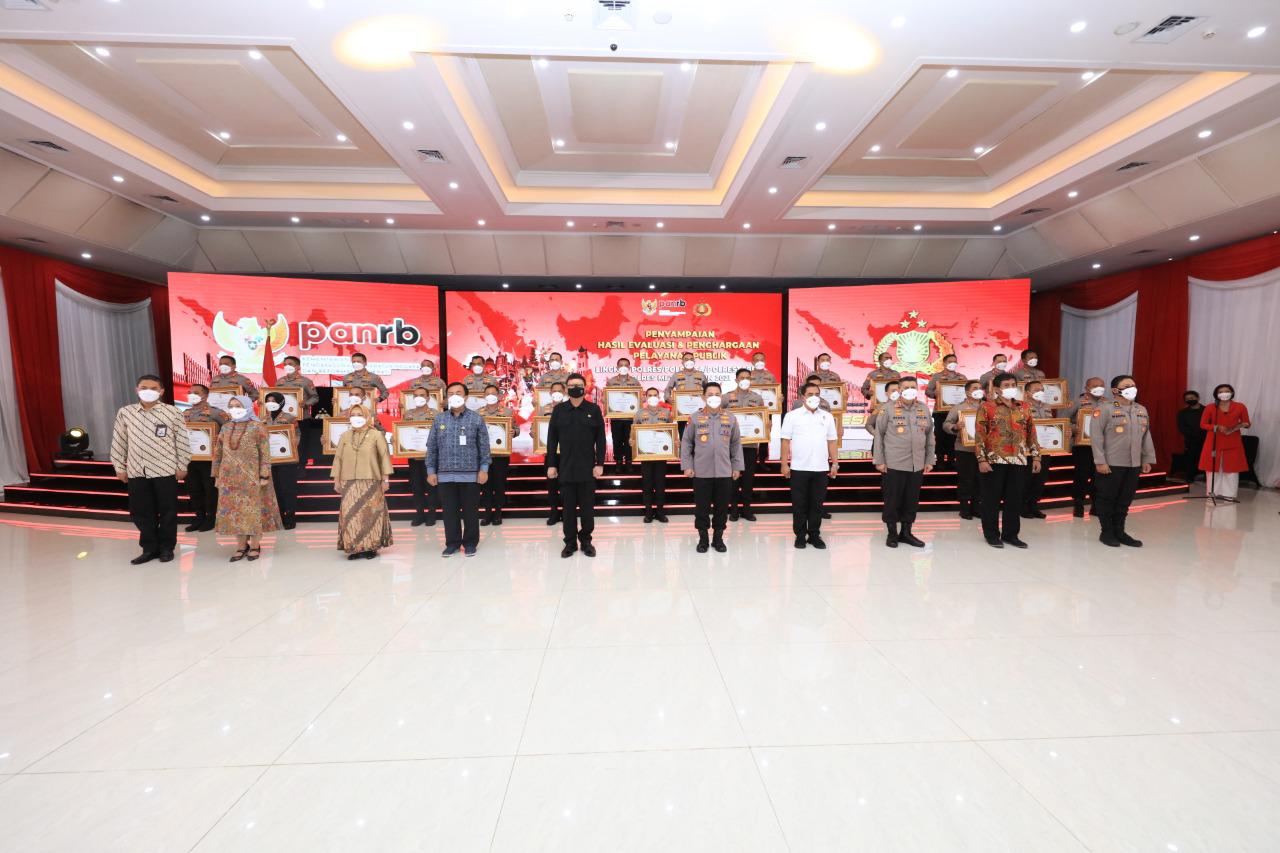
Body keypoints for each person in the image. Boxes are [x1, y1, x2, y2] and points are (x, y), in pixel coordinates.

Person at [111, 375, 190, 564]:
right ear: (137, 390)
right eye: (144, 387)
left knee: (168, 511)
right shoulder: (126, 412)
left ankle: (166, 548)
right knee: (140, 511)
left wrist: (182, 465)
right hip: (137, 471)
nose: (148, 391)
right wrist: (119, 467)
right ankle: (149, 548)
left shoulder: (172, 412)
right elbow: (119, 440)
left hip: (165, 469)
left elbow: (182, 440)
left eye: (154, 388)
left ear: (161, 391)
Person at [975, 372, 1041, 549]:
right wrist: (981, 459)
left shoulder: (1024, 407)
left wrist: (1036, 456)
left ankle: (1011, 535)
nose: (1011, 388)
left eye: (1013, 385)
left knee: (1014, 499)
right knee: (991, 500)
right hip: (994, 460)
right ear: (997, 389)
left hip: (1018, 460)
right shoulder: (986, 407)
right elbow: (980, 435)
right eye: (1006, 385)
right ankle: (991, 535)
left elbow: (1031, 433)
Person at [426, 383, 490, 557]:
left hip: (470, 475)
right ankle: (452, 543)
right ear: (447, 398)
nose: (454, 396)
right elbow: (431, 447)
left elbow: (484, 447)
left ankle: (470, 543)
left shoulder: (476, 419)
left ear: (466, 397)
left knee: (470, 511)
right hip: (445, 475)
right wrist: (431, 471)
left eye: (458, 393)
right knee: (449, 512)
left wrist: (484, 469)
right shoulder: (439, 419)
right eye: (451, 393)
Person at [212, 398, 282, 560]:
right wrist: (216, 475)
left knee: (253, 512)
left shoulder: (258, 426)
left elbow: (265, 452)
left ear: (248, 407)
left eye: (238, 406)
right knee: (235, 512)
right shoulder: (226, 427)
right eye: (231, 406)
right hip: (229, 478)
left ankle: (255, 546)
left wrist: (264, 475)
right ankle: (241, 546)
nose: (234, 409)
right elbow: (218, 452)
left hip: (253, 477)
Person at [1090, 375, 1155, 547]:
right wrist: (1100, 461)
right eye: (1126, 386)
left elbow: (1146, 435)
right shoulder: (1104, 409)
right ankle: (1106, 532)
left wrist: (1147, 458)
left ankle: (1120, 531)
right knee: (1107, 498)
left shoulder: (1141, 409)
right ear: (1115, 390)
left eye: (1133, 385)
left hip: (1133, 463)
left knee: (1125, 499)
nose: (1131, 388)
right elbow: (1096, 437)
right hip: (1111, 463)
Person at [547, 373, 607, 558]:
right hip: (565, 467)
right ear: (566, 388)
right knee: (568, 509)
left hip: (588, 468)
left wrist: (600, 464)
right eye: (572, 385)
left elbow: (601, 439)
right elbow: (552, 440)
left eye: (579, 385)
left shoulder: (593, 409)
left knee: (587, 509)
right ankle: (570, 542)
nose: (575, 388)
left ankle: (586, 541)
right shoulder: (559, 410)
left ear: (585, 387)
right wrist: (551, 465)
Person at [680, 382, 744, 553]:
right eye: (710, 394)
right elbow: (686, 443)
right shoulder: (694, 418)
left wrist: (737, 466)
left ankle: (718, 538)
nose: (714, 397)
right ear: (703, 397)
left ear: (721, 396)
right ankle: (703, 539)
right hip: (701, 472)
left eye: (717, 394)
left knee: (722, 508)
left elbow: (736, 444)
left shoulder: (730, 418)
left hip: (724, 471)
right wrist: (687, 465)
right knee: (702, 508)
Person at [874, 375, 935, 548]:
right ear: (900, 389)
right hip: (893, 463)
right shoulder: (888, 408)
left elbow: (930, 436)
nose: (910, 390)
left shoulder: (923, 408)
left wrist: (930, 459)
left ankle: (906, 532)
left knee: (911, 500)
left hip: (917, 464)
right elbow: (879, 435)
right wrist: (879, 460)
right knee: (892, 500)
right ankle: (892, 533)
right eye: (906, 387)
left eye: (913, 387)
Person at [780, 381, 838, 549]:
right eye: (810, 394)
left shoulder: (827, 416)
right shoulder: (792, 416)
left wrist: (835, 463)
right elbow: (785, 441)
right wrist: (784, 464)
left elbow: (832, 441)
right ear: (802, 397)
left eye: (817, 394)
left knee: (817, 504)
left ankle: (814, 535)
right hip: (799, 468)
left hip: (820, 468)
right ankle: (800, 535)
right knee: (799, 504)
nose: (814, 397)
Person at [331, 404, 393, 560]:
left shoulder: (376, 435)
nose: (356, 418)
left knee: (370, 515)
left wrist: (385, 479)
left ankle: (371, 547)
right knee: (350, 515)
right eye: (353, 415)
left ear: (367, 417)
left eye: (360, 414)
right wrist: (336, 480)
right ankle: (354, 547)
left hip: (371, 481)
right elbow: (338, 458)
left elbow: (384, 457)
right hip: (349, 482)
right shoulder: (345, 436)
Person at [182, 383, 225, 532]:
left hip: (209, 459)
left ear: (205, 395)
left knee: (210, 490)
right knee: (194, 489)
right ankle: (199, 517)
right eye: (190, 392)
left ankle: (211, 518)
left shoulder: (216, 413)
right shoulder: (185, 413)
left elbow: (229, 429)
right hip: (189, 458)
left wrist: (218, 438)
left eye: (196, 392)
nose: (192, 395)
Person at [724, 367, 764, 522]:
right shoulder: (726, 397)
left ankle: (747, 509)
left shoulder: (757, 398)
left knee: (748, 479)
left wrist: (766, 426)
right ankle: (734, 509)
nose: (745, 380)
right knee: (733, 478)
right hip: (731, 445)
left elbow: (762, 419)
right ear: (736, 380)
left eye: (748, 377)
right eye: (742, 377)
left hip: (750, 445)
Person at [1062, 377, 1106, 517]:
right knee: (1082, 474)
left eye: (1101, 385)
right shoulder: (1077, 402)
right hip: (1082, 446)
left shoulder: (1108, 403)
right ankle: (1078, 503)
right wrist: (1075, 428)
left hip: (1102, 446)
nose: (1099, 388)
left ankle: (1096, 504)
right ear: (1087, 388)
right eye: (1095, 385)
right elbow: (1064, 420)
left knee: (1098, 476)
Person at [1199, 383, 1252, 501]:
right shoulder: (1210, 407)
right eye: (1221, 392)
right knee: (1213, 469)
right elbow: (1203, 424)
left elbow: (1247, 422)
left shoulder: (1240, 406)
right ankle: (1213, 493)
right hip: (1214, 441)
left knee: (1232, 469)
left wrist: (1242, 425)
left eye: (1227, 391)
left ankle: (1230, 495)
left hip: (1233, 441)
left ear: (1232, 393)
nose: (1224, 393)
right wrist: (1216, 427)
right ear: (1216, 394)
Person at [944, 381, 985, 519]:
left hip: (984, 449)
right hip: (964, 449)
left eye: (980, 388)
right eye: (975, 388)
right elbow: (946, 424)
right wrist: (955, 426)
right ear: (967, 392)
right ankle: (964, 508)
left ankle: (976, 507)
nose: (978, 390)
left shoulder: (987, 406)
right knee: (966, 479)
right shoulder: (958, 408)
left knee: (981, 479)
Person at [633, 387, 674, 523]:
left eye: (655, 395)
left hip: (661, 455)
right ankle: (649, 512)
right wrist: (632, 441)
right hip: (645, 456)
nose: (652, 397)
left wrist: (675, 441)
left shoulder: (667, 413)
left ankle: (660, 512)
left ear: (659, 396)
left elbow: (672, 431)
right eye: (650, 395)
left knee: (660, 484)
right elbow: (633, 433)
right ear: (645, 397)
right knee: (647, 484)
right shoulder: (639, 413)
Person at [477, 383, 515, 525]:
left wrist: (513, 432)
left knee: (499, 485)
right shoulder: (477, 413)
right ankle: (487, 513)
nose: (490, 396)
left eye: (493, 393)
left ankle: (498, 513)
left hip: (501, 456)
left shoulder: (507, 412)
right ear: (483, 396)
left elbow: (515, 428)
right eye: (487, 394)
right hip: (483, 456)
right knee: (485, 486)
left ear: (499, 396)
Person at [263, 391, 300, 529]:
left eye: (273, 401)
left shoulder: (290, 418)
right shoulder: (262, 419)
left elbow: (297, 436)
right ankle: (279, 517)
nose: (270, 403)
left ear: (281, 402)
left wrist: (291, 446)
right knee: (275, 490)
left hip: (286, 460)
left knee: (288, 489)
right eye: (268, 401)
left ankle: (290, 517)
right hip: (270, 461)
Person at [403, 388, 439, 526]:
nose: (419, 397)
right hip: (413, 457)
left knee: (431, 486)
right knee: (416, 486)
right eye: (416, 395)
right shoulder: (408, 414)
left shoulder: (436, 414)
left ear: (428, 398)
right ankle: (419, 514)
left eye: (422, 395)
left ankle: (431, 514)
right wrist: (398, 438)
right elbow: (403, 432)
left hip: (430, 457)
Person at [277, 355, 320, 463]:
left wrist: (306, 403)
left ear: (298, 367)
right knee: (284, 442)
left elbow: (315, 397)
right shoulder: (280, 381)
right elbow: (274, 397)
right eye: (285, 364)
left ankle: (301, 467)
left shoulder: (306, 381)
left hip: (301, 418)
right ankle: (285, 465)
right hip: (283, 418)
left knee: (302, 445)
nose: (287, 366)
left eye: (290, 364)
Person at [925, 354, 966, 470]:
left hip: (957, 411)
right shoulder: (937, 377)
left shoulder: (962, 377)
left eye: (954, 361)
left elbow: (967, 391)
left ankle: (952, 460)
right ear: (944, 363)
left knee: (954, 436)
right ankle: (940, 460)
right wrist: (935, 394)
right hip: (941, 412)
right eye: (950, 361)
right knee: (941, 436)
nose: (953, 363)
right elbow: (928, 391)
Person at [1020, 380, 1054, 520]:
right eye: (1036, 390)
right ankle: (1022, 506)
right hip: (1028, 450)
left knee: (1040, 478)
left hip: (1044, 448)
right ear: (1027, 393)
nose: (1040, 392)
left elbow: (1051, 425)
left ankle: (1033, 505)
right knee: (1026, 479)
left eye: (1042, 390)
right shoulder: (1021, 407)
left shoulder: (1047, 406)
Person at [605, 356, 641, 473]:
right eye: (621, 365)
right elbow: (606, 397)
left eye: (626, 365)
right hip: (616, 417)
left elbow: (640, 397)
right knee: (617, 440)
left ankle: (629, 462)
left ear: (629, 367)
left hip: (630, 418)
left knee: (629, 441)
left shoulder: (635, 381)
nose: (623, 367)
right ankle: (619, 462)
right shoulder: (611, 381)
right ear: (617, 367)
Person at [540, 382, 566, 525]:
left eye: (560, 390)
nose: (557, 393)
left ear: (565, 392)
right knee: (552, 485)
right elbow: (535, 428)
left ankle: (567, 513)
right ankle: (554, 513)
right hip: (550, 453)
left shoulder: (570, 408)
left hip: (567, 453)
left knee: (566, 485)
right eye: (554, 391)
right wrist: (534, 433)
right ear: (550, 393)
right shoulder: (543, 409)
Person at [1175, 390, 1206, 484]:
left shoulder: (1206, 410)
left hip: (1206, 439)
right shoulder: (1182, 413)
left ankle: (1206, 477)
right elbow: (1181, 427)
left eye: (1192, 398)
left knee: (1206, 459)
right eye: (1187, 399)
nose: (1190, 400)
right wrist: (1193, 435)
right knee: (1190, 459)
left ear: (1198, 398)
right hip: (1190, 440)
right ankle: (1189, 477)